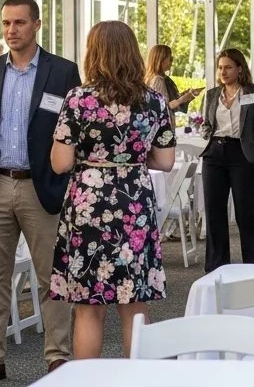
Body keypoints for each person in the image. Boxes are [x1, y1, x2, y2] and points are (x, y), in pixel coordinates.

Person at [49, 21, 175, 360]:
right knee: (135, 305)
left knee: (89, 308)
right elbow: (165, 162)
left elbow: (60, 163)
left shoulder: (79, 99)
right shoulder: (154, 101)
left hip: (89, 204)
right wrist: (132, 156)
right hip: (134, 201)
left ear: (95, 53)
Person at [0, 0, 82, 381]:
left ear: (37, 24)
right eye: (5, 23)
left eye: (19, 23)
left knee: (51, 276)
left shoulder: (62, 71)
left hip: (43, 188)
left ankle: (57, 356)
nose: (10, 31)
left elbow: (76, 129)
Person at [196, 48, 254, 271]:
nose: (223, 72)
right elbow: (206, 124)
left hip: (242, 154)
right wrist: (208, 134)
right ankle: (217, 267)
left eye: (228, 67)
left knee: (244, 213)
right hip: (214, 154)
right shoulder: (212, 94)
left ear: (239, 68)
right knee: (214, 213)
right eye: (220, 67)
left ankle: (252, 265)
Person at [145, 45, 200, 122]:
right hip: (163, 126)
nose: (172, 62)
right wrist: (181, 100)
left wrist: (185, 96)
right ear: (161, 60)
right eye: (170, 59)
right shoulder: (158, 80)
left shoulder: (150, 78)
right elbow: (163, 107)